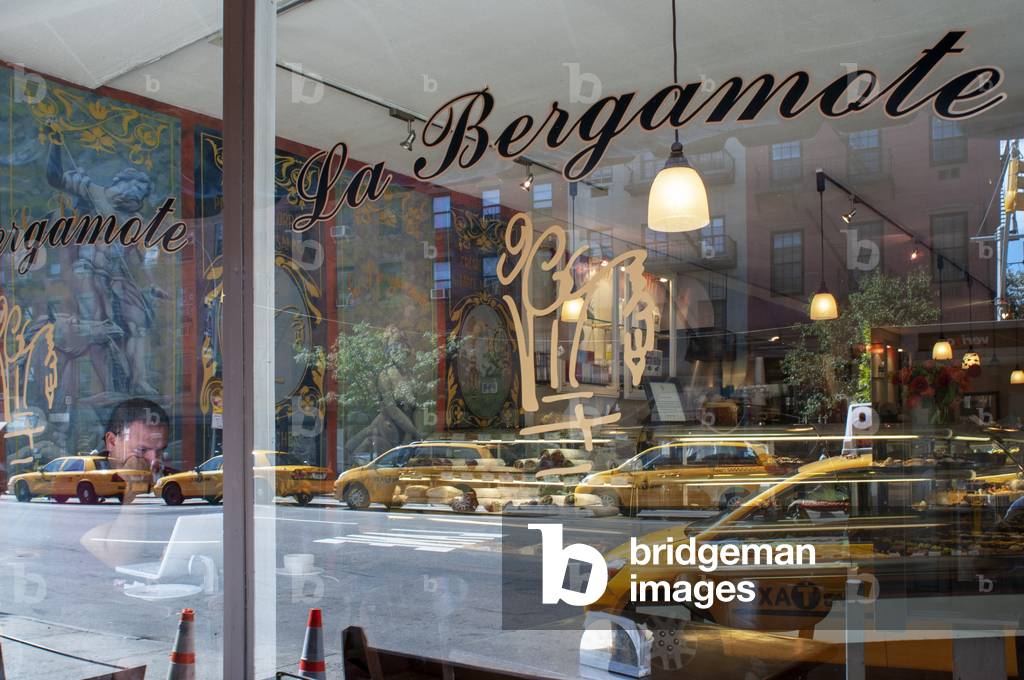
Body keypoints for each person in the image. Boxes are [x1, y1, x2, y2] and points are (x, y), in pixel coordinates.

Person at [101, 397, 169, 472]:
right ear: (112, 442)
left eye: (160, 451)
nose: (154, 461)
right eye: (141, 450)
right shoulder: (92, 476)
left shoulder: (172, 477)